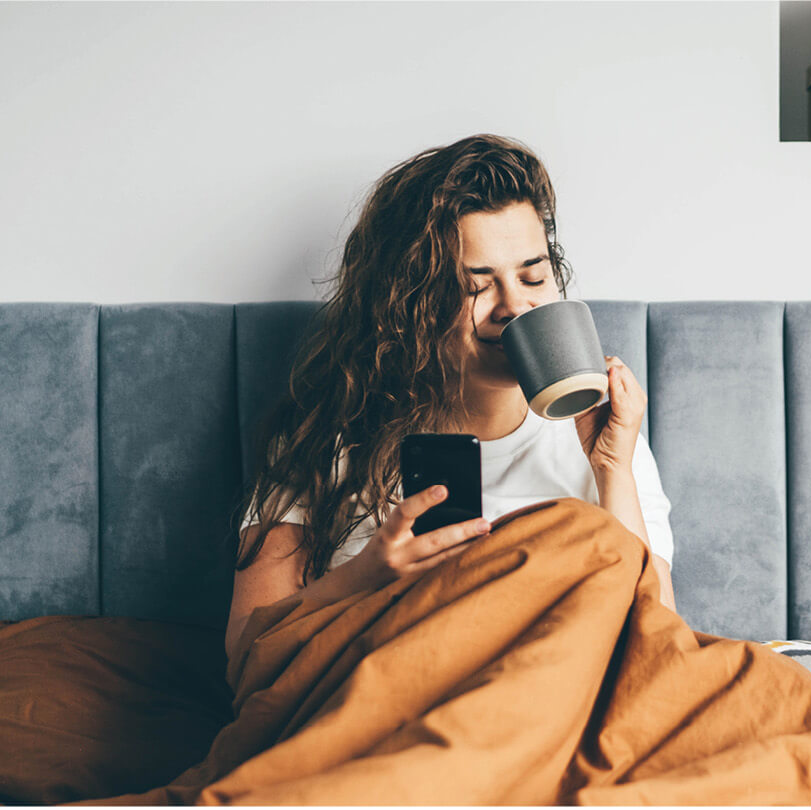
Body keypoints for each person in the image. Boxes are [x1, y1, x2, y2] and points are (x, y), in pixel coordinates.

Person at [226, 134, 677, 661]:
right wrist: (363, 578)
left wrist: (612, 469)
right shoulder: (326, 438)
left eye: (534, 275)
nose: (514, 306)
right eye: (475, 287)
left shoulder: (607, 440)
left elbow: (660, 647)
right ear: (408, 303)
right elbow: (244, 657)